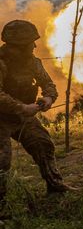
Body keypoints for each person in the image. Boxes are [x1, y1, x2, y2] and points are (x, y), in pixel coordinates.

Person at [0, 20, 73, 218]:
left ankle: (54, 184)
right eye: (30, 43)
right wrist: (22, 107)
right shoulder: (1, 63)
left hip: (22, 116)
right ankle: (1, 205)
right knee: (2, 160)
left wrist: (48, 98)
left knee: (43, 144)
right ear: (17, 46)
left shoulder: (33, 62)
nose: (34, 46)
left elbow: (48, 84)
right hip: (2, 118)